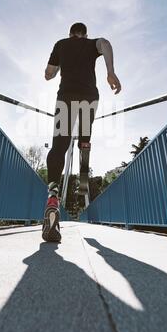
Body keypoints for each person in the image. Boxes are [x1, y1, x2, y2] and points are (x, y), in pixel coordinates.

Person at [42, 22, 121, 242]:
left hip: (66, 96)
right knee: (85, 136)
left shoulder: (61, 44)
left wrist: (56, 68)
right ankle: (84, 176)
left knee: (59, 146)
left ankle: (53, 195)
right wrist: (111, 72)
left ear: (70, 33)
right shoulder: (90, 44)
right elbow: (104, 43)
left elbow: (48, 74)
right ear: (85, 34)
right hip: (89, 96)